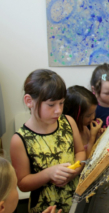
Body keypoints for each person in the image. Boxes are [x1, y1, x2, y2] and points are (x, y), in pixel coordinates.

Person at [10, 69, 86, 213]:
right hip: (45, 208)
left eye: (62, 103)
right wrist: (48, 174)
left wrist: (74, 172)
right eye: (51, 105)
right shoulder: (19, 140)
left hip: (75, 199)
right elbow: (22, 184)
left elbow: (81, 152)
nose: (58, 110)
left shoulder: (68, 122)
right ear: (29, 101)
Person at [63, 85, 104, 157]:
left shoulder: (84, 127)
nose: (93, 117)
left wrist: (98, 135)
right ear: (74, 115)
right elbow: (86, 160)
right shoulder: (71, 135)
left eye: (94, 112)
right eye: (88, 115)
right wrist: (92, 136)